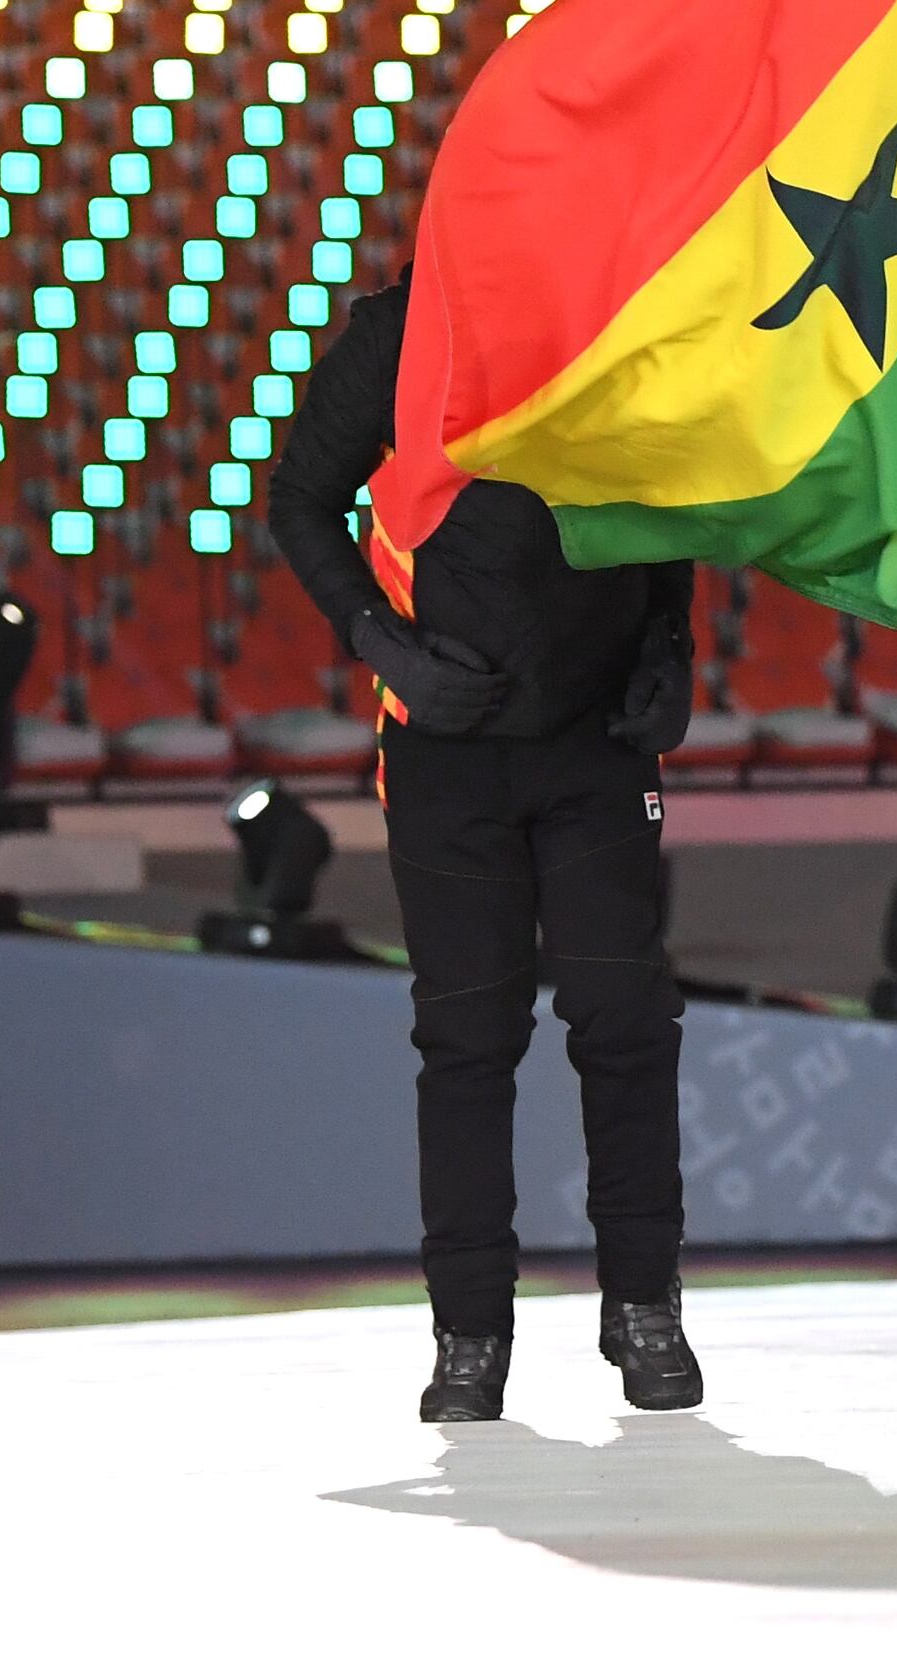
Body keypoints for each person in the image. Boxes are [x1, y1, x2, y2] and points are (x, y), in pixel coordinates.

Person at [269, 278, 704, 1422]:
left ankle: (645, 1306)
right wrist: (384, 649)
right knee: (468, 1040)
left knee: (626, 1021)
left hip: (598, 743)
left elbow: (664, 500)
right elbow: (300, 499)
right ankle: (470, 1333)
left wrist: (671, 650)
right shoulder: (398, 332)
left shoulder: (626, 304)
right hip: (446, 748)